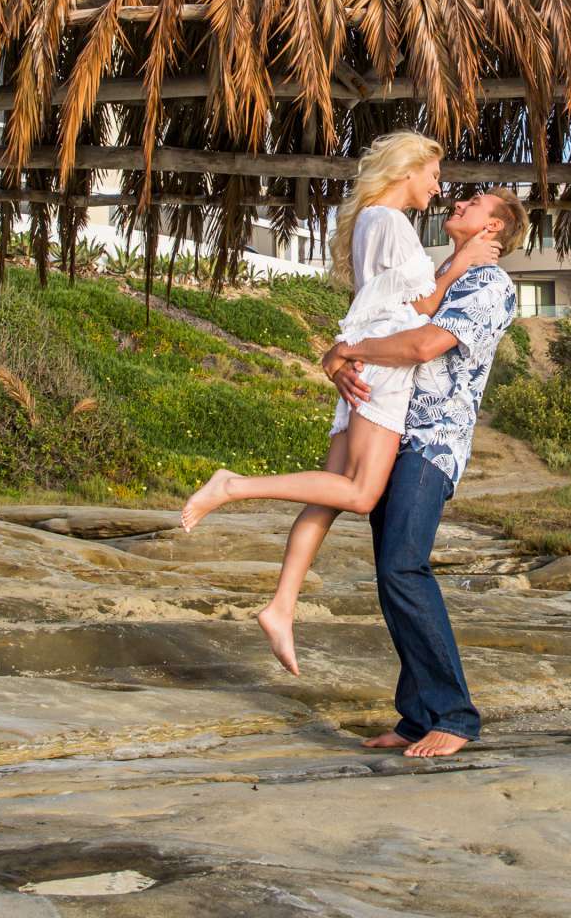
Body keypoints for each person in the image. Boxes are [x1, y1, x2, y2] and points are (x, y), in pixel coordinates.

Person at [178, 132, 509, 677]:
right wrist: (460, 261)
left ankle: (281, 606)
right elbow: (421, 307)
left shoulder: (370, 223)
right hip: (382, 367)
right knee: (359, 493)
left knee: (327, 497)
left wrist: (342, 354)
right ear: (406, 171)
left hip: (363, 359)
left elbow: (390, 304)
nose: (440, 187)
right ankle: (232, 485)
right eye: (432, 175)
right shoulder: (392, 223)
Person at [323, 186, 518, 758]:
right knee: (392, 574)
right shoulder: (446, 275)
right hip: (391, 435)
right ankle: (416, 716)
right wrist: (341, 355)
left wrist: (352, 350)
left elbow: (424, 344)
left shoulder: (491, 285)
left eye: (477, 203)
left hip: (431, 446)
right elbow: (390, 325)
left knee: (405, 568)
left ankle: (455, 715)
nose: (458, 202)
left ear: (495, 230)